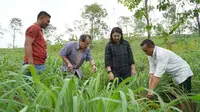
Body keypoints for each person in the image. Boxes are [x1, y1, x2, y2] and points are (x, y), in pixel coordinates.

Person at [23, 11, 51, 75]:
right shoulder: (33, 28)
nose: (48, 23)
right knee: (30, 84)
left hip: (39, 64)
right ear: (41, 18)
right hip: (34, 65)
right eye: (47, 21)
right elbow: (27, 44)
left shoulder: (39, 30)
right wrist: (31, 63)